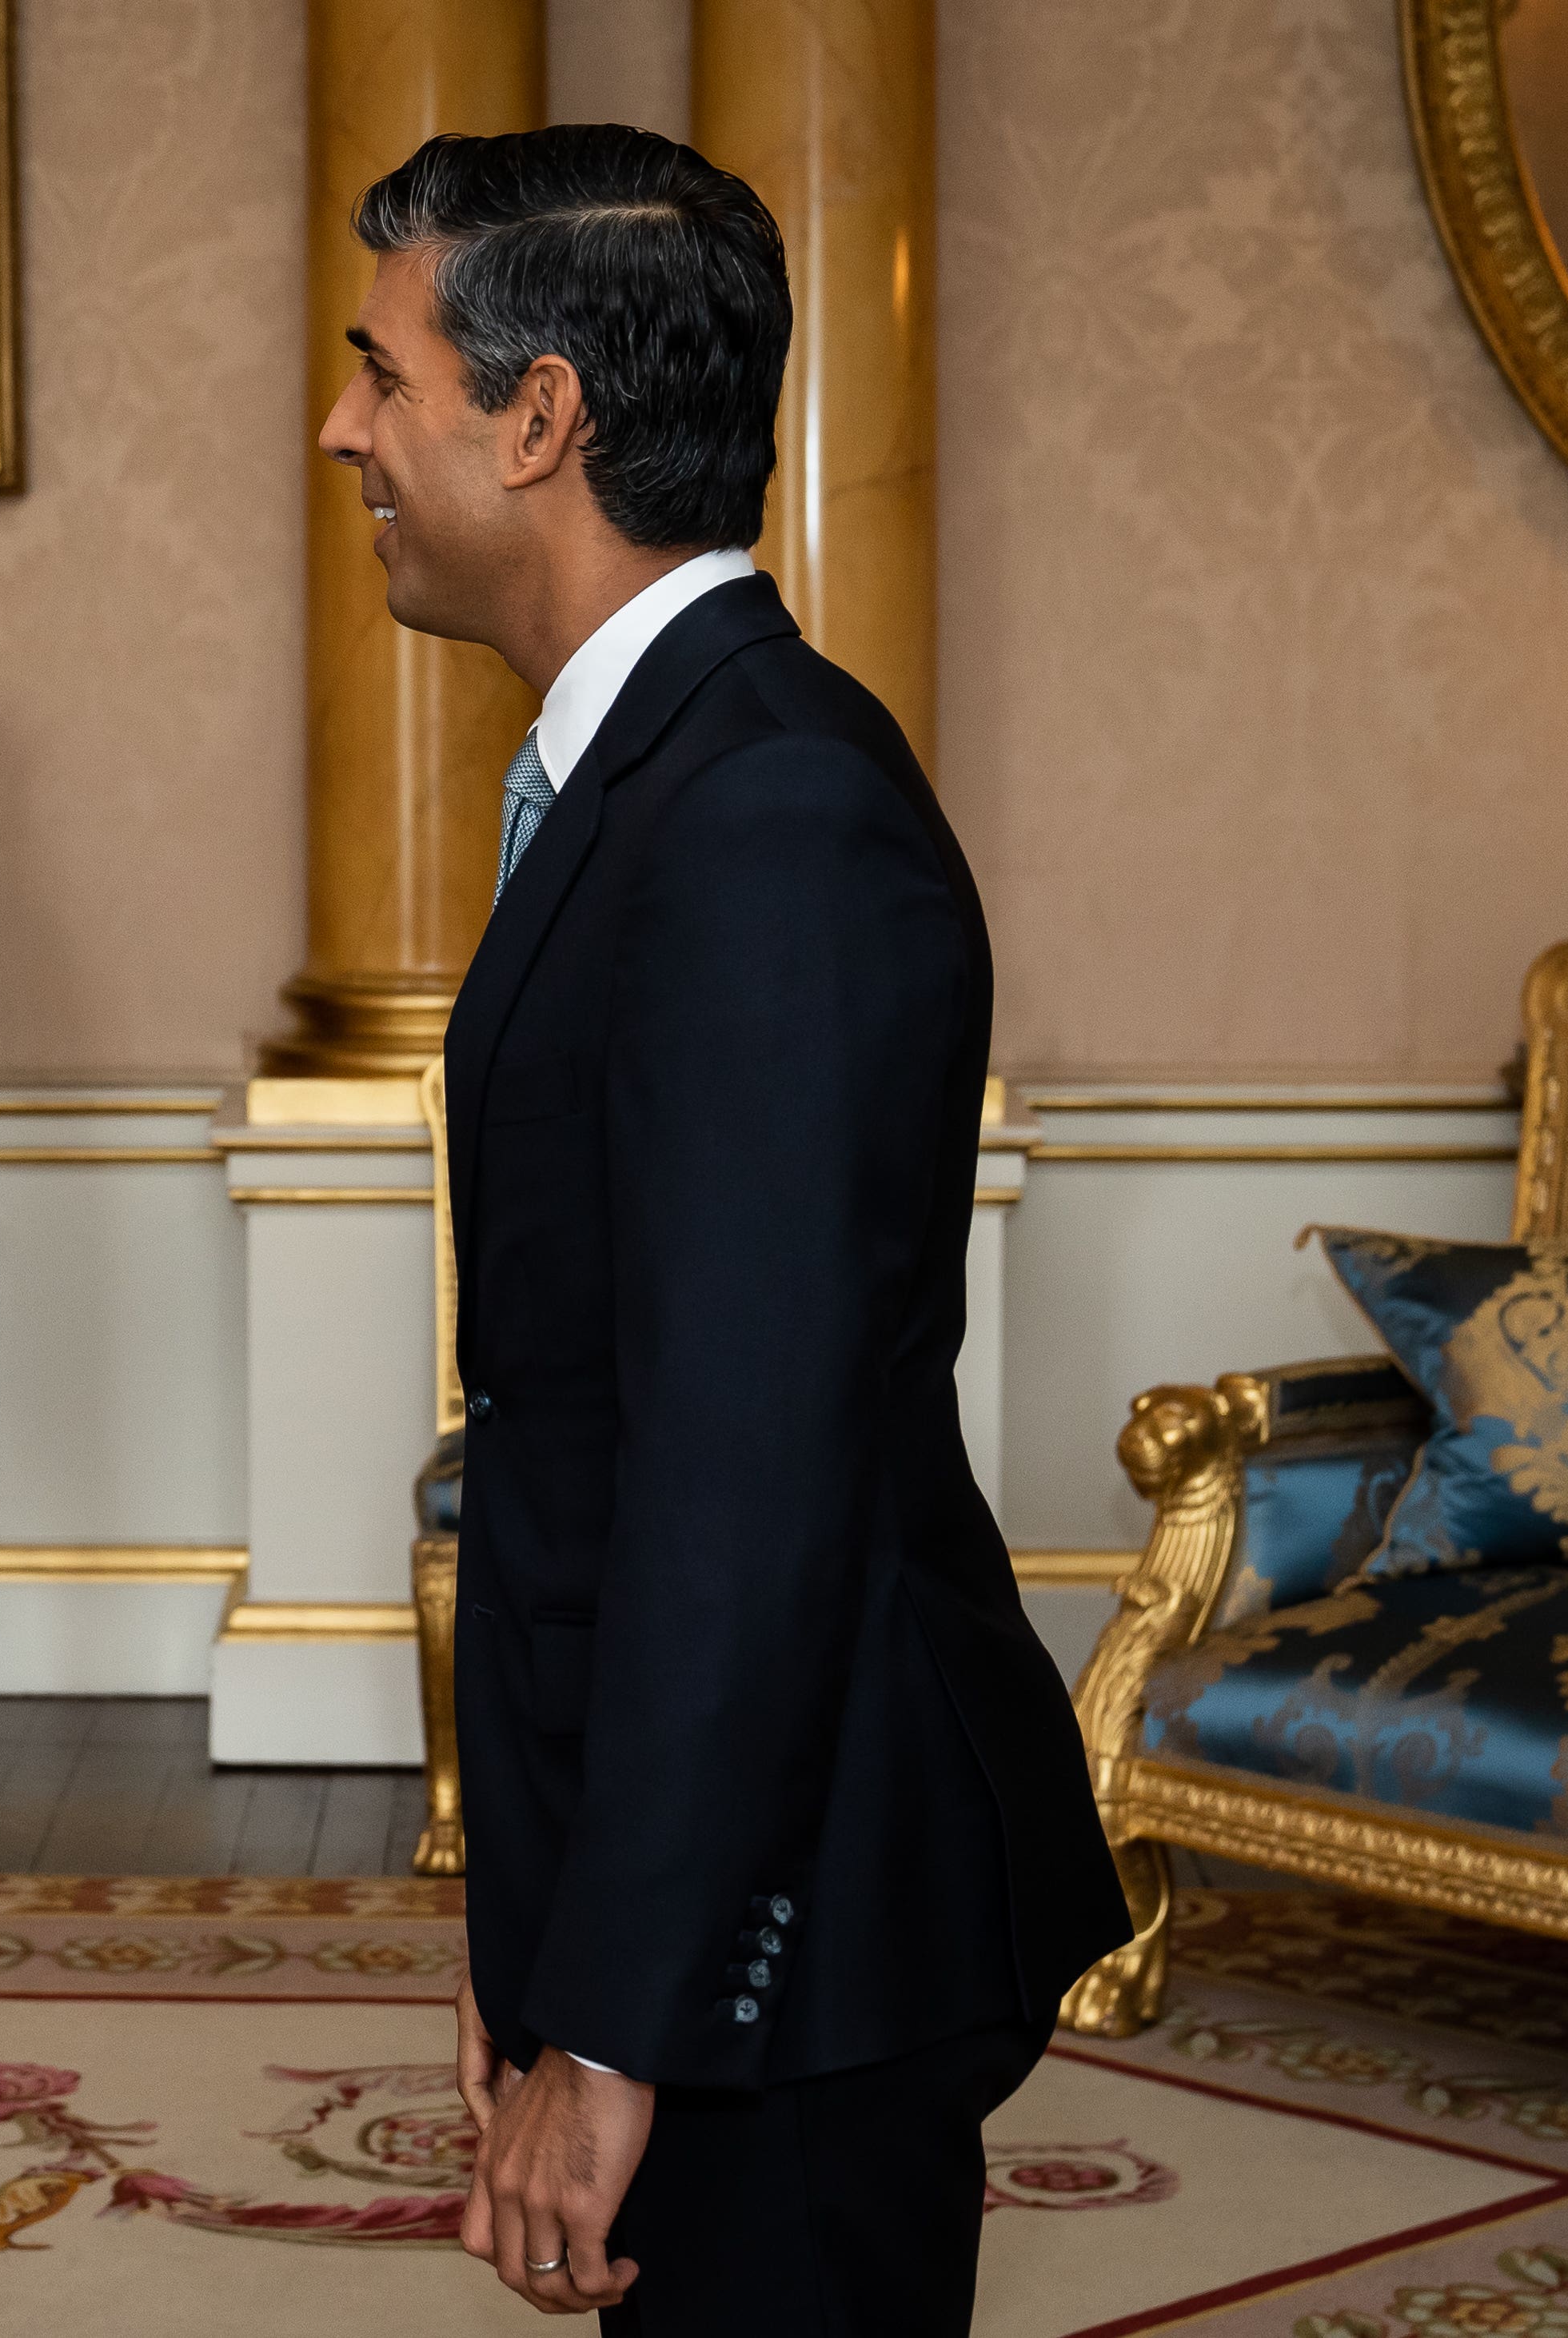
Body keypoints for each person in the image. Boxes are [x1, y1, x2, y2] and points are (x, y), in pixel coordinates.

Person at [317, 126, 1133, 2331]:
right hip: (713, 1879)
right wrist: (553, 1942)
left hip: (812, 1910)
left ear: (540, 413)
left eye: (378, 373)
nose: (341, 429)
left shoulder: (765, 811)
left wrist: (622, 2016)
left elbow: (745, 1479)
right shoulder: (660, 768)